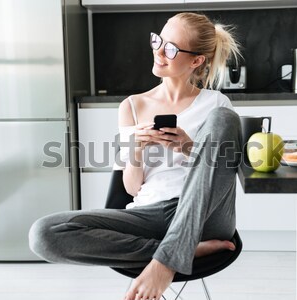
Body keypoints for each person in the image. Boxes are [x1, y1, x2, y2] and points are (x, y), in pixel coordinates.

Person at [29, 12, 243, 300]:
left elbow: (224, 170)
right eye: (159, 41)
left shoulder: (216, 103)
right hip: (150, 214)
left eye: (171, 48)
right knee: (43, 234)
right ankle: (178, 251)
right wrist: (136, 149)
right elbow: (131, 189)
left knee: (223, 118)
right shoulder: (131, 106)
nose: (158, 51)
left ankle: (165, 262)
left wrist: (188, 147)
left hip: (207, 217)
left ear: (196, 61)